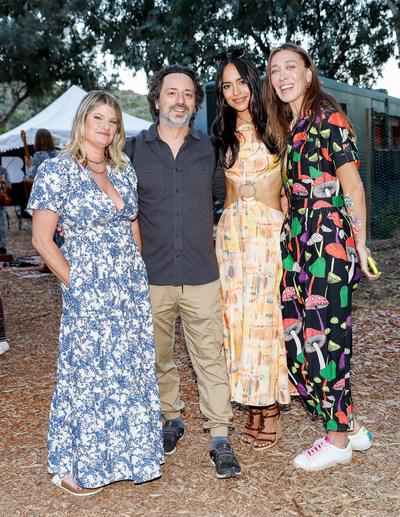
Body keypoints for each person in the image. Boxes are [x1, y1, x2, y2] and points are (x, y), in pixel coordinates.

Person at [27, 91, 163, 495]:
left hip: (129, 290)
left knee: (129, 371)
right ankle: (76, 468)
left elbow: (132, 226)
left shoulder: (123, 169)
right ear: (83, 121)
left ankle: (131, 457)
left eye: (113, 121)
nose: (106, 126)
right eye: (98, 118)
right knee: (89, 375)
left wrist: (135, 274)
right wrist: (78, 284)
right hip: (88, 287)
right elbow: (41, 240)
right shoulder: (57, 171)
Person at [264, 42, 379, 471]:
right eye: (275, 70)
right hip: (295, 248)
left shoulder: (328, 120)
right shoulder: (291, 129)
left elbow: (353, 188)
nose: (282, 76)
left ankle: (336, 440)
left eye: (291, 67)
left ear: (309, 74)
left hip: (327, 246)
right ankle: (348, 425)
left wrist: (359, 244)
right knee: (299, 341)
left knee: (328, 343)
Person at [125, 64, 241, 479]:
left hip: (200, 273)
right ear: (157, 100)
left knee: (210, 357)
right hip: (151, 275)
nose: (180, 100)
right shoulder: (134, 150)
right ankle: (170, 420)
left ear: (195, 103)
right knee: (158, 357)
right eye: (172, 93)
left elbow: (226, 198)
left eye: (188, 94)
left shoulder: (209, 148)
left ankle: (219, 438)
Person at [211, 49, 290, 451]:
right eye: (227, 85)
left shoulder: (279, 124)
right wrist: (219, 240)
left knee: (264, 319)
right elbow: (227, 194)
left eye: (241, 81)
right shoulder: (223, 133)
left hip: (265, 232)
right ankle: (252, 407)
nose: (235, 91)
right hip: (232, 236)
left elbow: (291, 186)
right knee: (238, 321)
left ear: (254, 82)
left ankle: (270, 407)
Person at [0, 166, 11, 256]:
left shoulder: (3, 170)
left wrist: (4, 181)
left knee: (2, 226)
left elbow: (10, 187)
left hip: (1, 200)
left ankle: (2, 247)